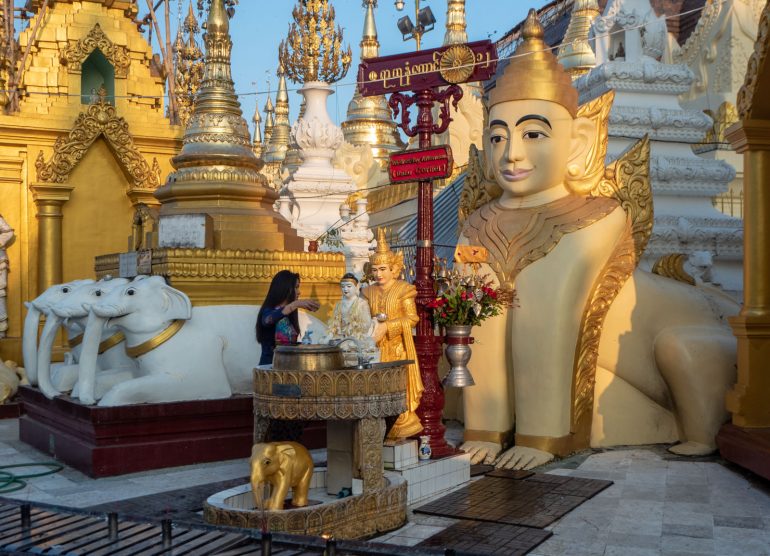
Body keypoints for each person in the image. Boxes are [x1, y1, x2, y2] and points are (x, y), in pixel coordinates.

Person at [362, 229, 423, 440]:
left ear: (394, 268)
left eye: (383, 269)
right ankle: (377, 431)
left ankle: (399, 427)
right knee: (375, 393)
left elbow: (412, 318)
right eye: (375, 269)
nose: (378, 274)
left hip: (397, 349)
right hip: (374, 349)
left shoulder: (403, 289)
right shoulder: (367, 292)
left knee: (397, 391)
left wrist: (389, 326)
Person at [256, 270, 319, 366]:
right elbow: (267, 320)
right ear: (285, 288)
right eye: (296, 287)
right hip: (269, 371)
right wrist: (295, 304)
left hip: (287, 369)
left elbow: (289, 346)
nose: (299, 292)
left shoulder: (290, 313)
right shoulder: (268, 311)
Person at [326, 273, 373, 341]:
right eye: (342, 286)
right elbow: (334, 324)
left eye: (349, 286)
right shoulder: (339, 304)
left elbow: (366, 324)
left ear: (356, 287)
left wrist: (353, 329)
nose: (345, 289)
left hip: (356, 337)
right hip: (341, 336)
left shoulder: (361, 303)